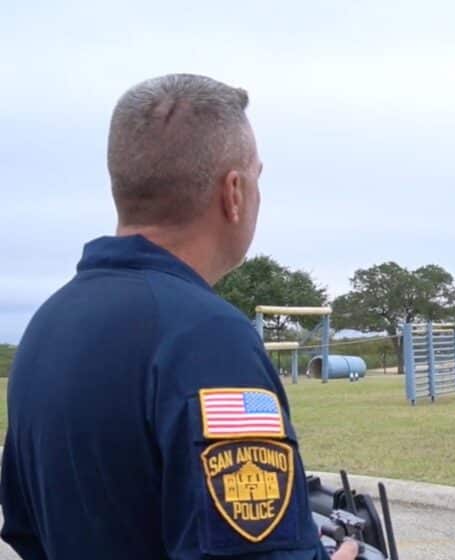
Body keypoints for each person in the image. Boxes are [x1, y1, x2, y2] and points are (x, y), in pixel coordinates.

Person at [0, 74, 358, 560]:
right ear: (234, 192)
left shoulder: (46, 327)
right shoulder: (208, 338)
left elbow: (25, 529)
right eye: (257, 177)